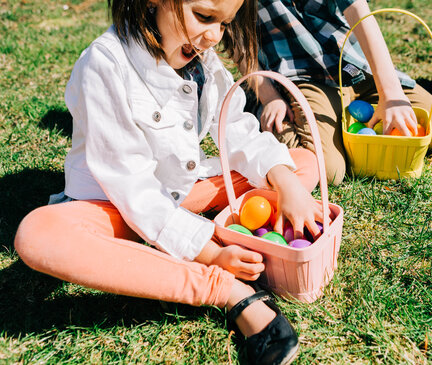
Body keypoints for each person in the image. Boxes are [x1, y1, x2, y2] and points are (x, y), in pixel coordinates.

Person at [14, 0, 325, 364]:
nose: (214, 37)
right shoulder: (105, 63)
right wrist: (211, 254)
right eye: (204, 17)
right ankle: (223, 288)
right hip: (112, 208)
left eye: (224, 24)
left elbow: (239, 130)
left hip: (180, 194)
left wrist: (285, 182)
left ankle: (189, 241)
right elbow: (133, 189)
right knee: (40, 234)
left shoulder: (202, 60)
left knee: (301, 163)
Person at [247, 0, 432, 185]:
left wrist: (390, 93)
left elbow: (358, 9)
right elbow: (236, 37)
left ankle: (338, 125)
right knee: (329, 172)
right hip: (302, 75)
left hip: (352, 65)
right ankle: (258, 111)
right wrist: (269, 97)